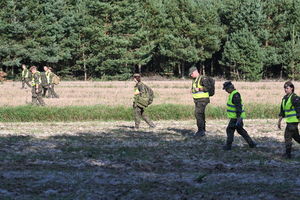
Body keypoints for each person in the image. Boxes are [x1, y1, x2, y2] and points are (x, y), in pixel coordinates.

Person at [222, 81, 256, 150]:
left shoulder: (235, 95)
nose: (226, 91)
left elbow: (238, 107)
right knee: (240, 131)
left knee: (229, 130)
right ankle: (251, 144)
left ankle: (228, 146)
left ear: (229, 88)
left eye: (226, 89)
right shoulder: (234, 94)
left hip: (236, 117)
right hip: (236, 117)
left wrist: (238, 118)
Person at [278, 81, 300, 159]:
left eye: (287, 88)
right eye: (284, 88)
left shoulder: (295, 98)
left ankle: (288, 154)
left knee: (287, 136)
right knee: (296, 137)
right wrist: (279, 121)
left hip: (294, 121)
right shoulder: (284, 98)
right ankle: (288, 154)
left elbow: (299, 109)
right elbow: (282, 111)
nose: (285, 89)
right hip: (289, 121)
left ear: (292, 88)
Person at [189, 66, 210, 137]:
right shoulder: (195, 79)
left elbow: (208, 88)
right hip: (198, 100)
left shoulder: (203, 78)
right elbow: (195, 89)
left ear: (195, 72)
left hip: (203, 100)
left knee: (198, 114)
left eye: (191, 74)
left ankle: (200, 131)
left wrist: (200, 89)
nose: (191, 75)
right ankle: (202, 130)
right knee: (201, 114)